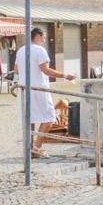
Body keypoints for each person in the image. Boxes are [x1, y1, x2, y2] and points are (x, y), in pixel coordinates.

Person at [18, 26, 73, 159]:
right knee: (49, 118)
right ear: (37, 36)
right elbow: (45, 70)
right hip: (39, 88)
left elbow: (16, 69)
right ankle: (36, 148)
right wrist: (65, 75)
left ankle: (30, 148)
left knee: (30, 118)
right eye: (43, 37)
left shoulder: (21, 50)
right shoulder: (40, 50)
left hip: (25, 88)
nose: (44, 40)